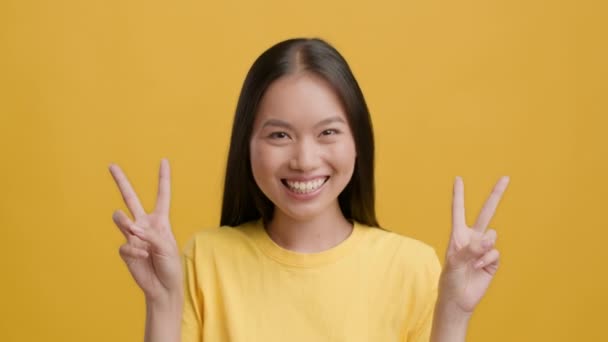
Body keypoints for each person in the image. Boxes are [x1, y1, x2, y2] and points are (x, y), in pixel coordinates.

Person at [109, 38, 509, 342]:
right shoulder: (204, 260)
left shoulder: (413, 268)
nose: (304, 159)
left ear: (359, 142)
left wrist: (453, 314)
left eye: (328, 133)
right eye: (279, 134)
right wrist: (161, 301)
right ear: (245, 146)